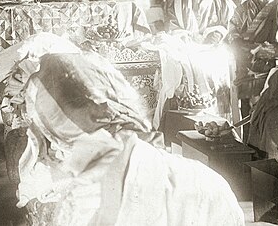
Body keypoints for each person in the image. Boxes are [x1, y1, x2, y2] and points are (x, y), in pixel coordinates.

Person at [16, 52, 244, 226]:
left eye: (57, 134)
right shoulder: (72, 203)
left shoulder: (200, 186)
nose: (48, 153)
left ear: (101, 111)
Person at [228, 0, 278, 120]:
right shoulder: (242, 9)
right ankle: (247, 143)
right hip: (249, 67)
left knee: (274, 114)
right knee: (248, 114)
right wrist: (254, 49)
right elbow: (231, 36)